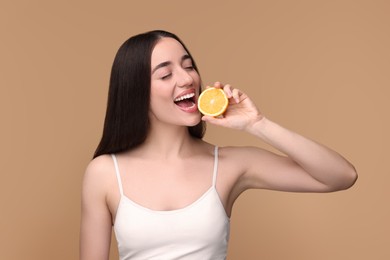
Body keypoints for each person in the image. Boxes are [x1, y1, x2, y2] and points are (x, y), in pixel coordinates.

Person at [80, 30, 357, 260]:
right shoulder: (104, 173)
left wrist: (257, 124)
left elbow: (341, 176)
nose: (187, 79)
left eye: (188, 66)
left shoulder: (229, 165)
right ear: (135, 91)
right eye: (166, 75)